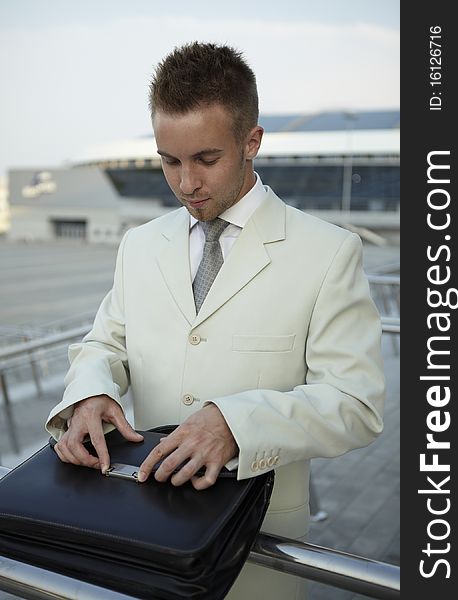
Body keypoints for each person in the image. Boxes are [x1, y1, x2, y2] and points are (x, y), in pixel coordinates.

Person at [46, 41, 385, 600]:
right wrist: (88, 392)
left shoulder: (329, 252)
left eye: (206, 159)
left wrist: (236, 423)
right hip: (147, 527)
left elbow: (357, 403)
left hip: (260, 547)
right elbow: (105, 342)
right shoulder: (139, 245)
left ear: (252, 142)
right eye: (169, 161)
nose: (185, 184)